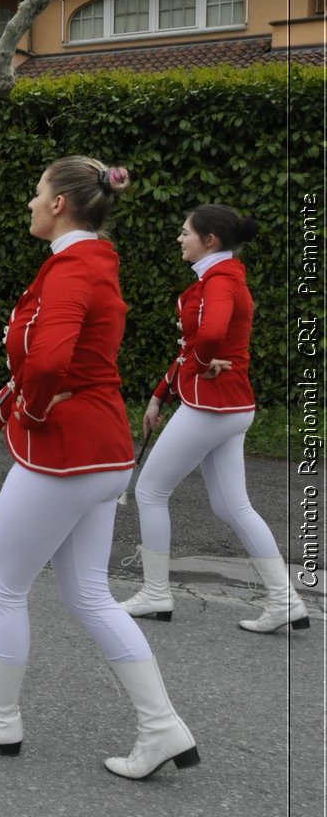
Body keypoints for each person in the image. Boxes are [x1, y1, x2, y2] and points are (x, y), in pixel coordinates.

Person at [0, 157, 200, 781]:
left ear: (59, 205)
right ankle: (162, 728)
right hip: (100, 452)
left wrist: (29, 409)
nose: (29, 201)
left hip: (64, 455)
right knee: (87, 595)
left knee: (3, 586)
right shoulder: (90, 260)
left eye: (36, 191)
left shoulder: (73, 267)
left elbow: (46, 365)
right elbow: (46, 367)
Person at [120, 204, 308, 634]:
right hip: (229, 406)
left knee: (149, 490)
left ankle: (155, 593)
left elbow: (208, 335)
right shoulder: (222, 276)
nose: (180, 238)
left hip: (211, 406)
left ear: (211, 240)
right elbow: (194, 346)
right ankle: (285, 600)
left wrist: (202, 364)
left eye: (186, 232)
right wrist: (160, 395)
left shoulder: (220, 281)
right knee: (232, 505)